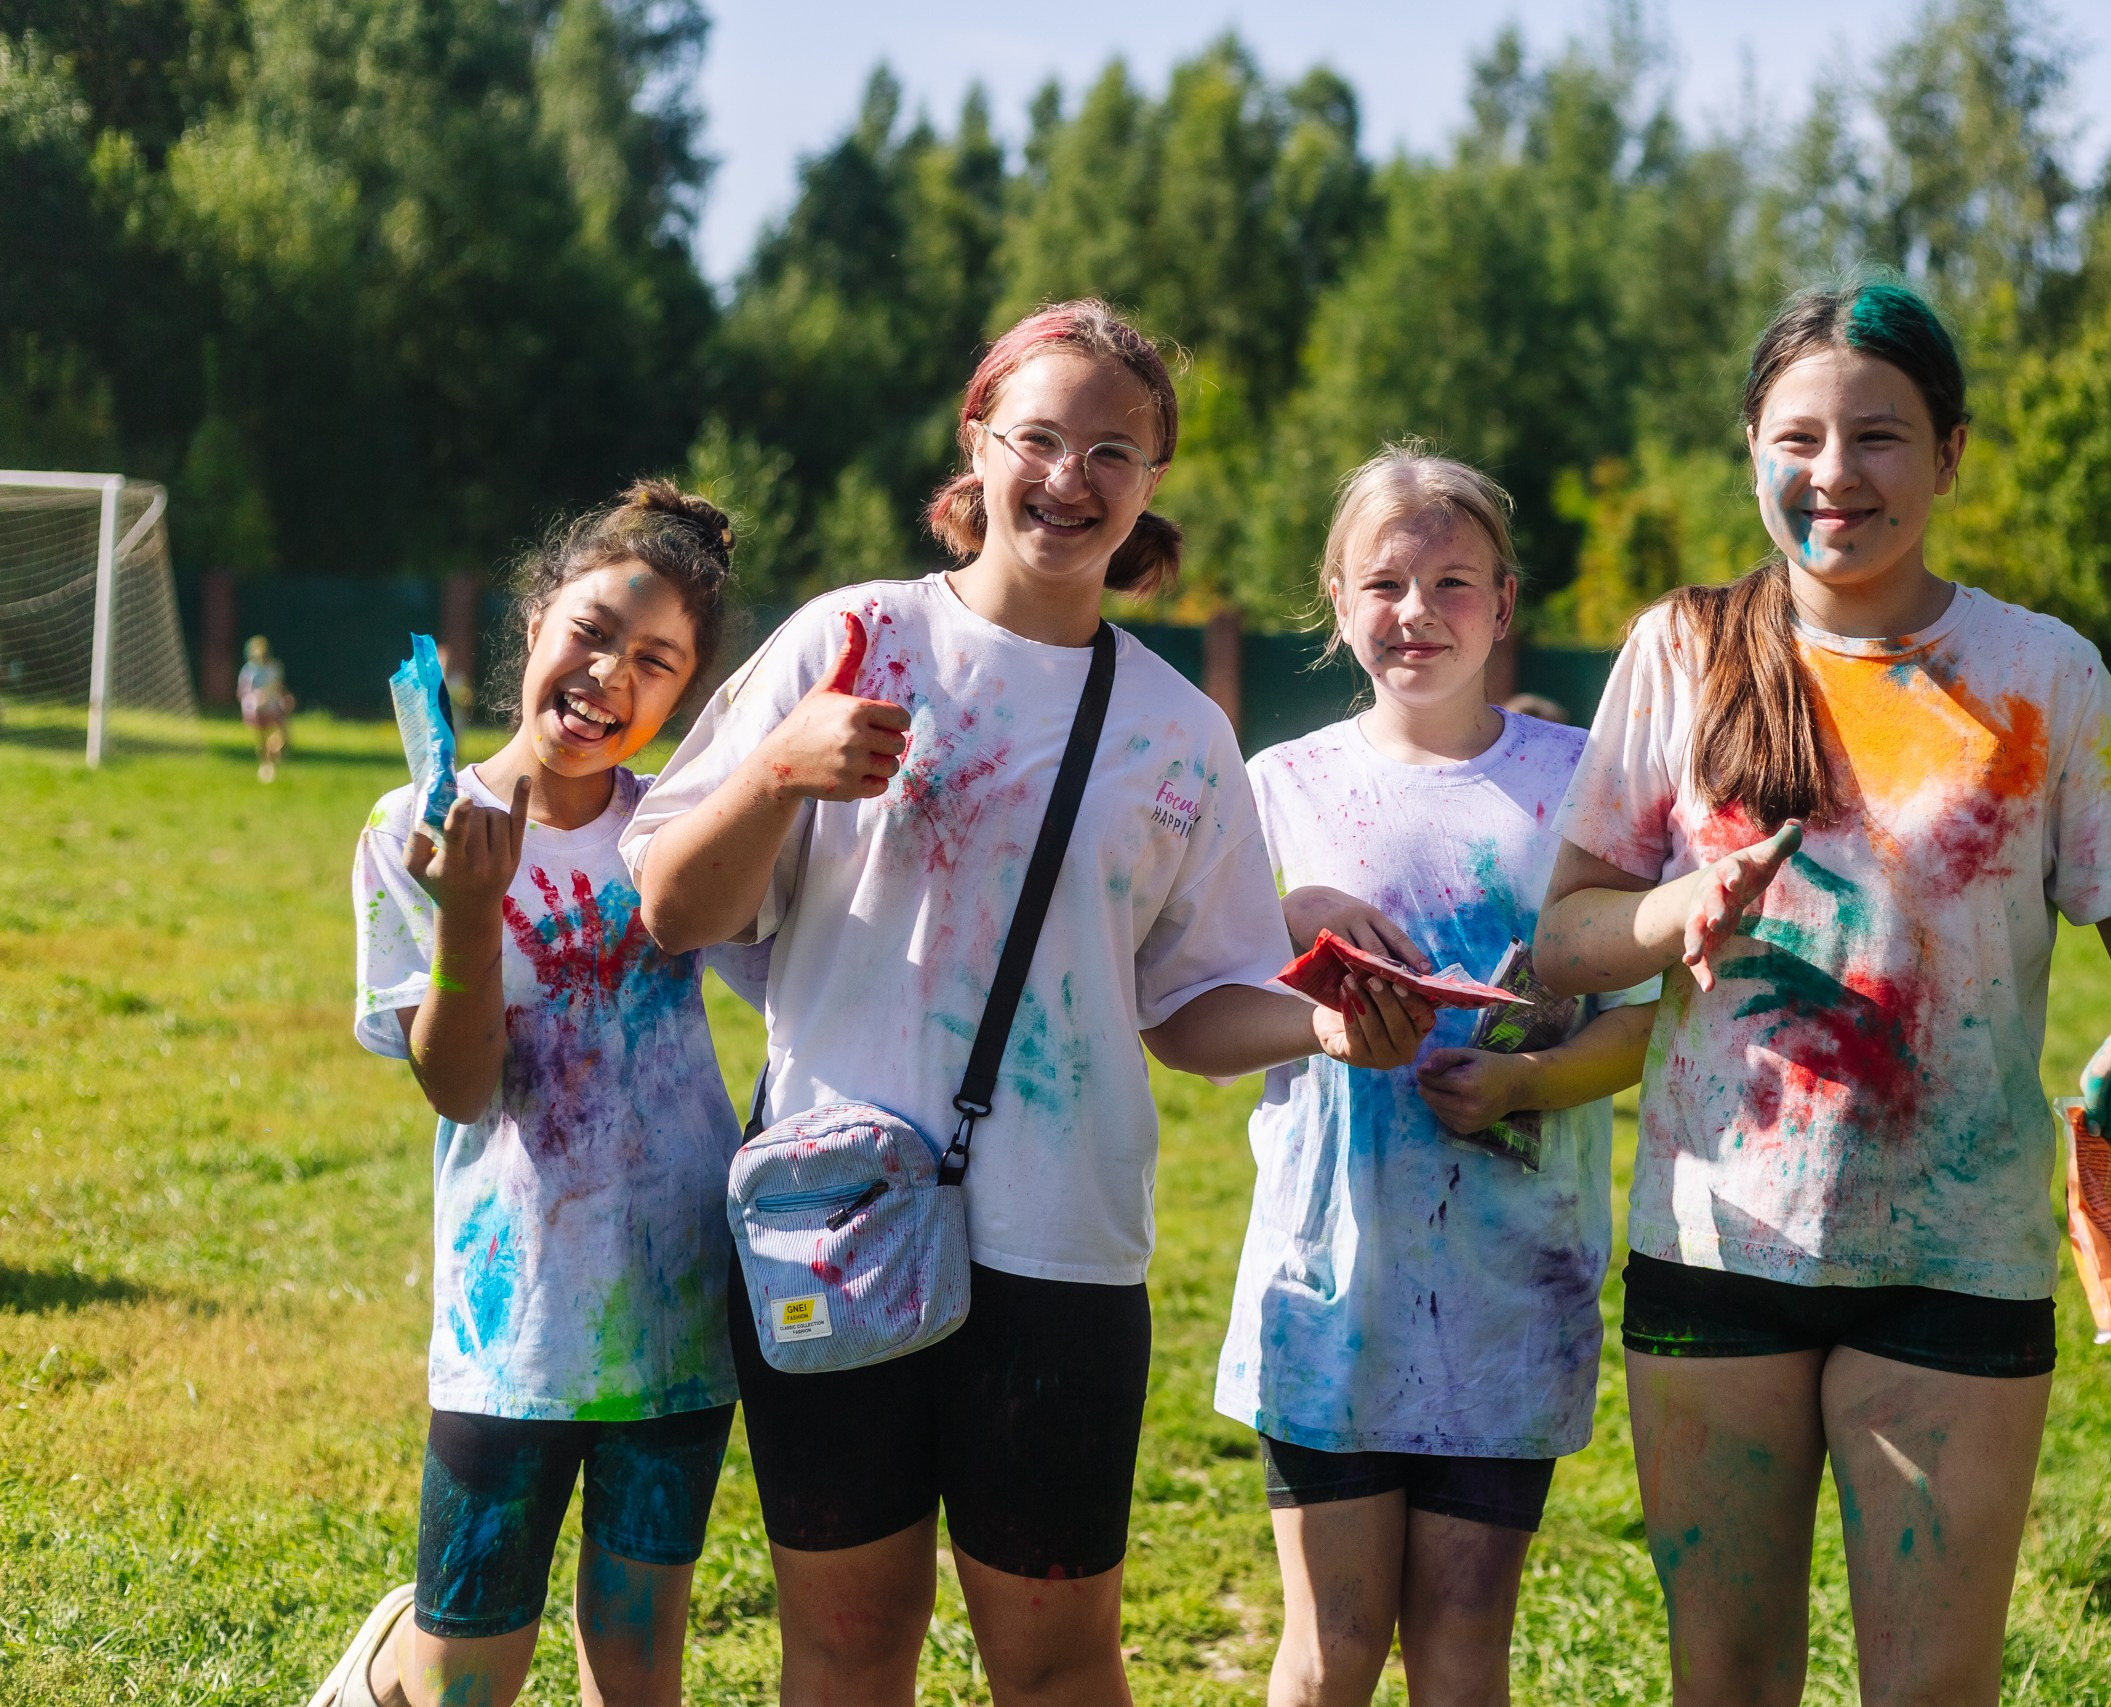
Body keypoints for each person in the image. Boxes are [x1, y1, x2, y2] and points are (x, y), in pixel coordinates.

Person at [622, 299, 1437, 1707]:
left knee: (1059, 1662)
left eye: (1113, 449)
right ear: (976, 444)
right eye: (1040, 437)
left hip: (1063, 1254)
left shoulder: (1180, 730)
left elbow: (1190, 1002)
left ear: (1154, 480)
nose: (1071, 477)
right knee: (844, 1641)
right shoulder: (852, 640)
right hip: (831, 1223)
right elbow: (674, 909)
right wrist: (774, 775)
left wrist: (1319, 1026)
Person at [1534, 277, 2111, 1707]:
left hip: (1958, 1252)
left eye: (1880, 436)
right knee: (1723, 1684)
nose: (1834, 474)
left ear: (1951, 453)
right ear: (1751, 447)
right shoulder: (1682, 651)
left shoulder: (2044, 674)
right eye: (1797, 437)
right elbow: (1568, 936)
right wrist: (1673, 911)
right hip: (1717, 1240)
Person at [1215, 449, 1656, 1707]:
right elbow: (1205, 1010)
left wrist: (1530, 1086)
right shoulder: (1280, 789)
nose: (1417, 612)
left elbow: (1641, 1023)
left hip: (1513, 1291)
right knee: (1329, 1652)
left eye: (1453, 582)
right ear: (1338, 600)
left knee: (1465, 1650)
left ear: (1505, 604)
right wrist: (1302, 940)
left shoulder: (1578, 791)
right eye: (1385, 582)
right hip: (1329, 1287)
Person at [316, 481, 745, 1707]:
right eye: (594, 633)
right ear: (536, 622)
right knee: (467, 1678)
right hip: (513, 1325)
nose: (612, 673)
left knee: (638, 1654)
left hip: (680, 1303)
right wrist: (465, 918)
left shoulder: (673, 828)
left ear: (681, 698)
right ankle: (386, 1662)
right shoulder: (416, 826)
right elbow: (458, 1091)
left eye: (655, 662)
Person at [239, 634, 293, 782]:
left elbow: (279, 686)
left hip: (273, 706)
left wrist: (286, 697)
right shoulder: (249, 671)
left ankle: (271, 756)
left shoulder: (274, 668)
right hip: (257, 708)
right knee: (261, 738)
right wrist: (255, 698)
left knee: (284, 736)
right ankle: (265, 766)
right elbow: (243, 691)